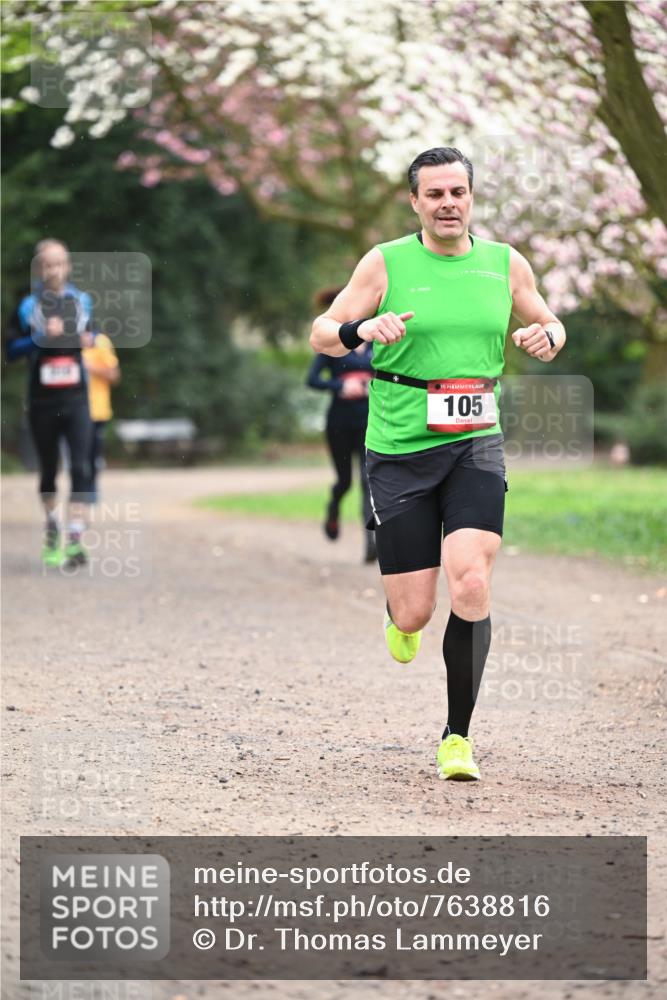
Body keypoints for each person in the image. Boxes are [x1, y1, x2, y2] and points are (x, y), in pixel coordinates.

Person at [310, 147, 566, 781]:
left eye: (459, 192)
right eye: (435, 194)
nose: (448, 203)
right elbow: (322, 330)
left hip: (476, 441)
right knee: (415, 611)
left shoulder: (505, 264)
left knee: (472, 580)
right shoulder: (386, 262)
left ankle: (457, 736)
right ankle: (402, 618)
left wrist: (550, 336)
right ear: (416, 202)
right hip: (398, 449)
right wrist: (360, 333)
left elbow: (548, 320)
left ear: (471, 198)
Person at [5, 239, 94, 568]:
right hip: (42, 401)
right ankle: (53, 526)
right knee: (48, 471)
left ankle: (74, 536)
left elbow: (93, 335)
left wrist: (88, 339)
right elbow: (11, 351)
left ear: (68, 266)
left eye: (60, 264)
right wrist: (40, 338)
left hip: (76, 398)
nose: (54, 270)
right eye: (48, 264)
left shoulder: (82, 301)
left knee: (83, 467)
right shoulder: (28, 306)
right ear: (40, 269)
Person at [306, 288, 376, 563]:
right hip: (339, 423)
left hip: (369, 422)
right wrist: (340, 385)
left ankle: (370, 542)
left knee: (369, 481)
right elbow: (312, 380)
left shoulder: (376, 344)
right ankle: (334, 507)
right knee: (345, 482)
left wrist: (374, 386)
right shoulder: (334, 346)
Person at [82, 329, 120, 503]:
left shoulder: (101, 342)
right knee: (76, 455)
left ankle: (90, 487)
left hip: (97, 409)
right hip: (69, 409)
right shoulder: (61, 340)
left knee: (92, 454)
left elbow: (114, 375)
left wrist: (88, 366)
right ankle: (79, 488)